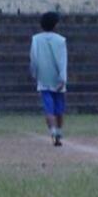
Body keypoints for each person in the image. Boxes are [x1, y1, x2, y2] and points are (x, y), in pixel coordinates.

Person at [29, 11, 67, 146]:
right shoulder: (61, 40)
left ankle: (53, 131)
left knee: (48, 108)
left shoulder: (36, 39)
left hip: (43, 77)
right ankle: (59, 131)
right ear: (56, 25)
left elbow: (33, 58)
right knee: (59, 109)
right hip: (57, 78)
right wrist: (63, 78)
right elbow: (63, 60)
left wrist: (34, 73)